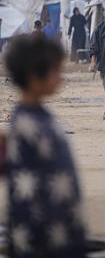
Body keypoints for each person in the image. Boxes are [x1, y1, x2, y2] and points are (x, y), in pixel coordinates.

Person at [4, 35, 86, 258]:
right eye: (56, 71)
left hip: (59, 223)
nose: (61, 79)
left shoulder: (40, 117)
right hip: (42, 233)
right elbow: (27, 189)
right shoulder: (27, 124)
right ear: (34, 76)